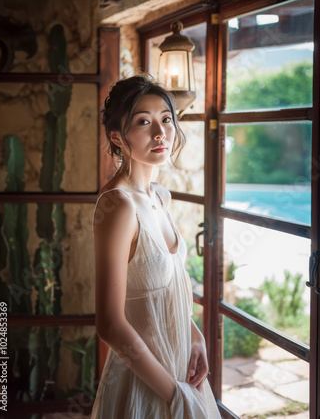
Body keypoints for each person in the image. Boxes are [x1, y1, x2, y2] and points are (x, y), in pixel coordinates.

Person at [91, 74, 221, 418]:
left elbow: (167, 288)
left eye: (166, 119)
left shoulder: (159, 195)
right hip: (147, 382)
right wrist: (175, 395)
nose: (160, 133)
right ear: (117, 136)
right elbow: (109, 323)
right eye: (143, 122)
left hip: (180, 368)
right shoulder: (117, 206)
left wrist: (195, 336)